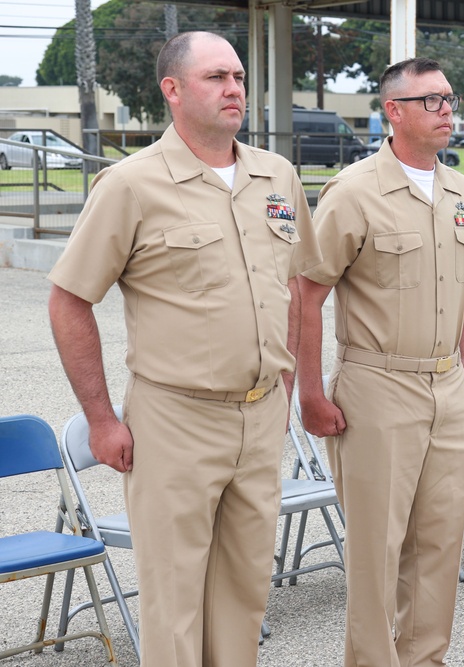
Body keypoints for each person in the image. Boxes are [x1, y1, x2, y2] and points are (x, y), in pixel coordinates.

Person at [47, 31, 320, 667]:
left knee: (246, 593)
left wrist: (286, 391)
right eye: (216, 77)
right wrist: (101, 419)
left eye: (240, 77)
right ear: (172, 90)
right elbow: (68, 301)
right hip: (175, 419)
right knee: (174, 602)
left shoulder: (275, 176)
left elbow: (298, 288)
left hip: (258, 419)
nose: (234, 90)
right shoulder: (131, 185)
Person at [296, 57, 464, 667]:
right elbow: (305, 294)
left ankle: (425, 658)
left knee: (441, 543)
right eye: (430, 100)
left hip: (445, 388)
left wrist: (462, 360)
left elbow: (463, 283)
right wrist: (310, 393)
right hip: (377, 385)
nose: (446, 111)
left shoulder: (462, 190)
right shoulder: (354, 191)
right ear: (394, 111)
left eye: (450, 99)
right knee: (378, 549)